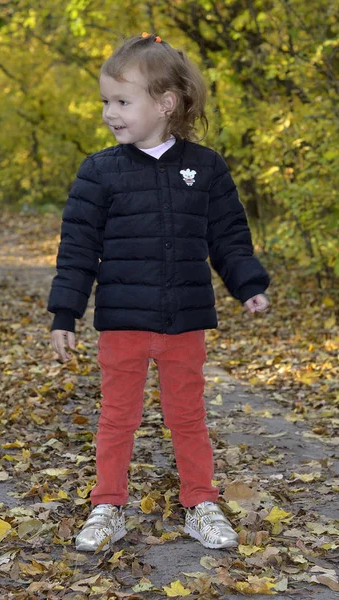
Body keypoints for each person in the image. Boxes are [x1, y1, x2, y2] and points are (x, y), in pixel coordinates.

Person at [48, 32, 270, 552]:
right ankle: (108, 504)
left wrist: (249, 285)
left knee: (188, 415)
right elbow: (77, 249)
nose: (109, 112)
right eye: (106, 101)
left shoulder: (207, 167)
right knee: (117, 417)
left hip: (184, 321)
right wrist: (64, 315)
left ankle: (200, 502)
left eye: (122, 101)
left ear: (165, 103)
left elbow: (229, 237)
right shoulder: (100, 171)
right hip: (122, 324)